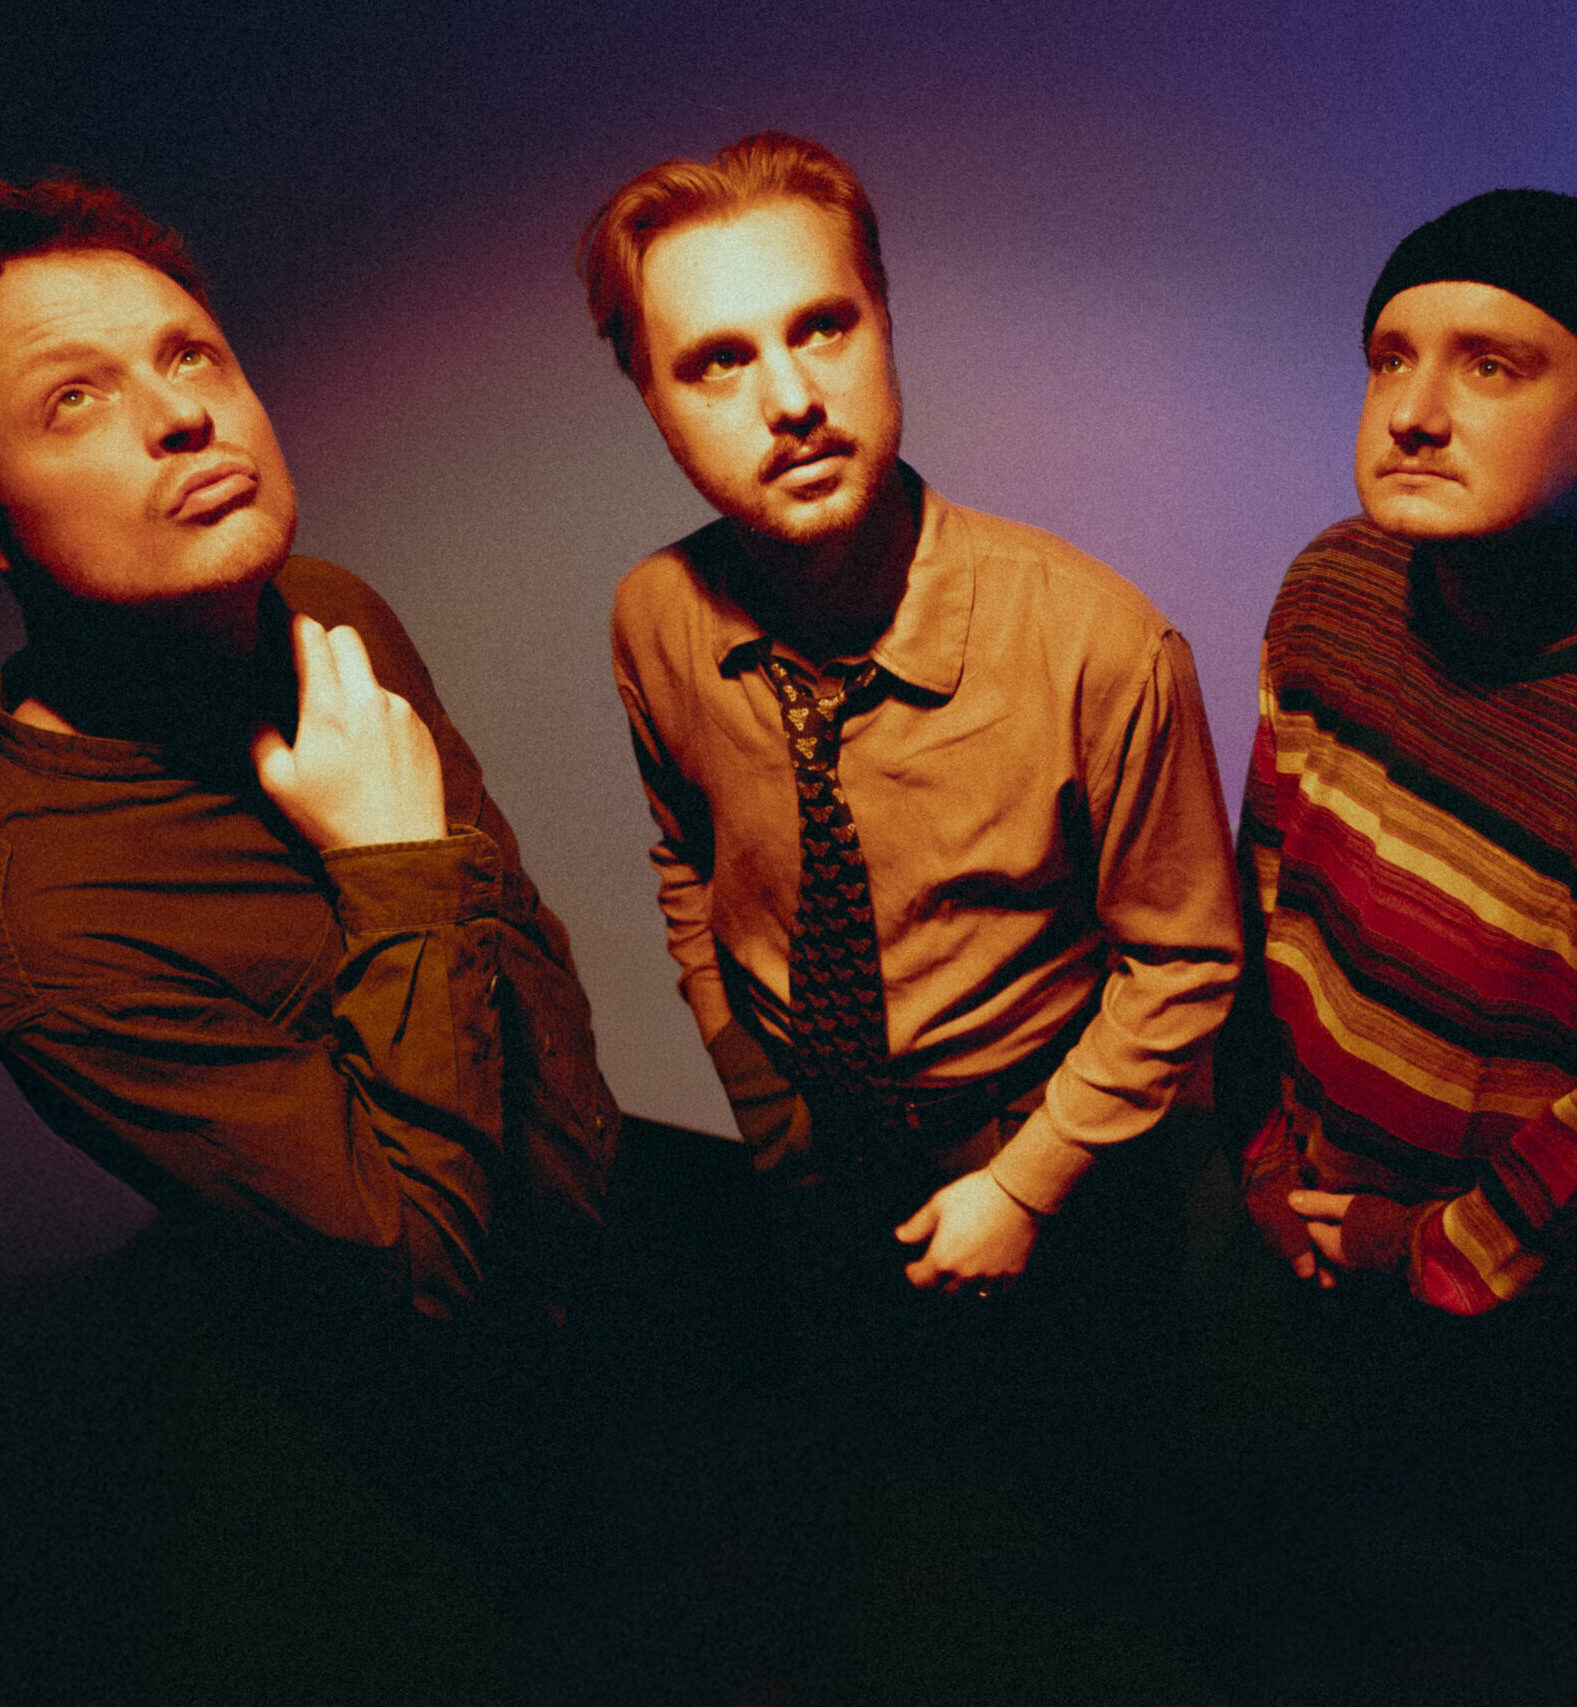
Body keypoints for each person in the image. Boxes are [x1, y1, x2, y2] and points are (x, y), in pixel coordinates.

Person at [581, 131, 1238, 1637]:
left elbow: (1185, 961)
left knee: (1114, 1497)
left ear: (886, 324)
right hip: (819, 1147)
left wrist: (1024, 1185)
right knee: (903, 1492)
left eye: (823, 327)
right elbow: (690, 857)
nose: (790, 398)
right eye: (716, 361)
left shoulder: (1099, 644)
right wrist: (760, 1098)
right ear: (650, 400)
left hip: (1054, 1153)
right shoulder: (655, 617)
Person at [0, 174, 621, 1645]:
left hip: (610, 1309)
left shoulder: (330, 611)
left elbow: (522, 959)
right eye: (72, 400)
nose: (180, 414)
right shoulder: (44, 924)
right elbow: (419, 1274)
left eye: (190, 355)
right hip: (398, 1449)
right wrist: (391, 865)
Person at [1216, 188, 1577, 1676]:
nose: (1415, 412)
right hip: (1306, 1236)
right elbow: (1267, 896)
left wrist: (1423, 1252)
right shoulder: (1332, 589)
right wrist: (1266, 1157)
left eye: (1492, 365)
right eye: (1391, 357)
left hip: (1546, 1339)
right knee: (1288, 1590)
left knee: (1494, 1631)